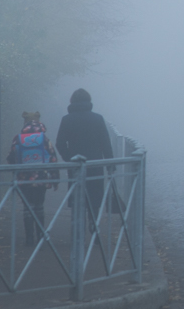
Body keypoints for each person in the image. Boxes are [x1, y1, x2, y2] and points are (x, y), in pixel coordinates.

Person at [55, 88, 115, 228]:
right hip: (95, 163)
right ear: (89, 101)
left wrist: (70, 158)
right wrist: (110, 164)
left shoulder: (66, 119)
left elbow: (60, 143)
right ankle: (93, 226)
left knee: (77, 196)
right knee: (94, 195)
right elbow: (105, 143)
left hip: (76, 164)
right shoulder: (98, 118)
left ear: (72, 102)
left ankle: (77, 229)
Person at [6, 111, 58, 246]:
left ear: (25, 123)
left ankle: (29, 238)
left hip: (24, 179)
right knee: (39, 206)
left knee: (27, 207)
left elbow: (11, 158)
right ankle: (41, 236)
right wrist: (55, 178)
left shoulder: (18, 138)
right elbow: (53, 158)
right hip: (41, 179)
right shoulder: (44, 138)